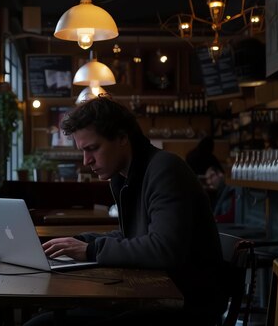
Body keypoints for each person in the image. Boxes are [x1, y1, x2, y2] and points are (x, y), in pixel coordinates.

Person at [27, 97, 226, 326]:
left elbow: (164, 249)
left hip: (186, 307)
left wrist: (91, 250)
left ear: (122, 137)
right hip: (153, 295)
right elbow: (133, 235)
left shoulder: (165, 169)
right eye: (83, 151)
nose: (86, 161)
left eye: (92, 148)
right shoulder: (123, 176)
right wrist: (78, 242)